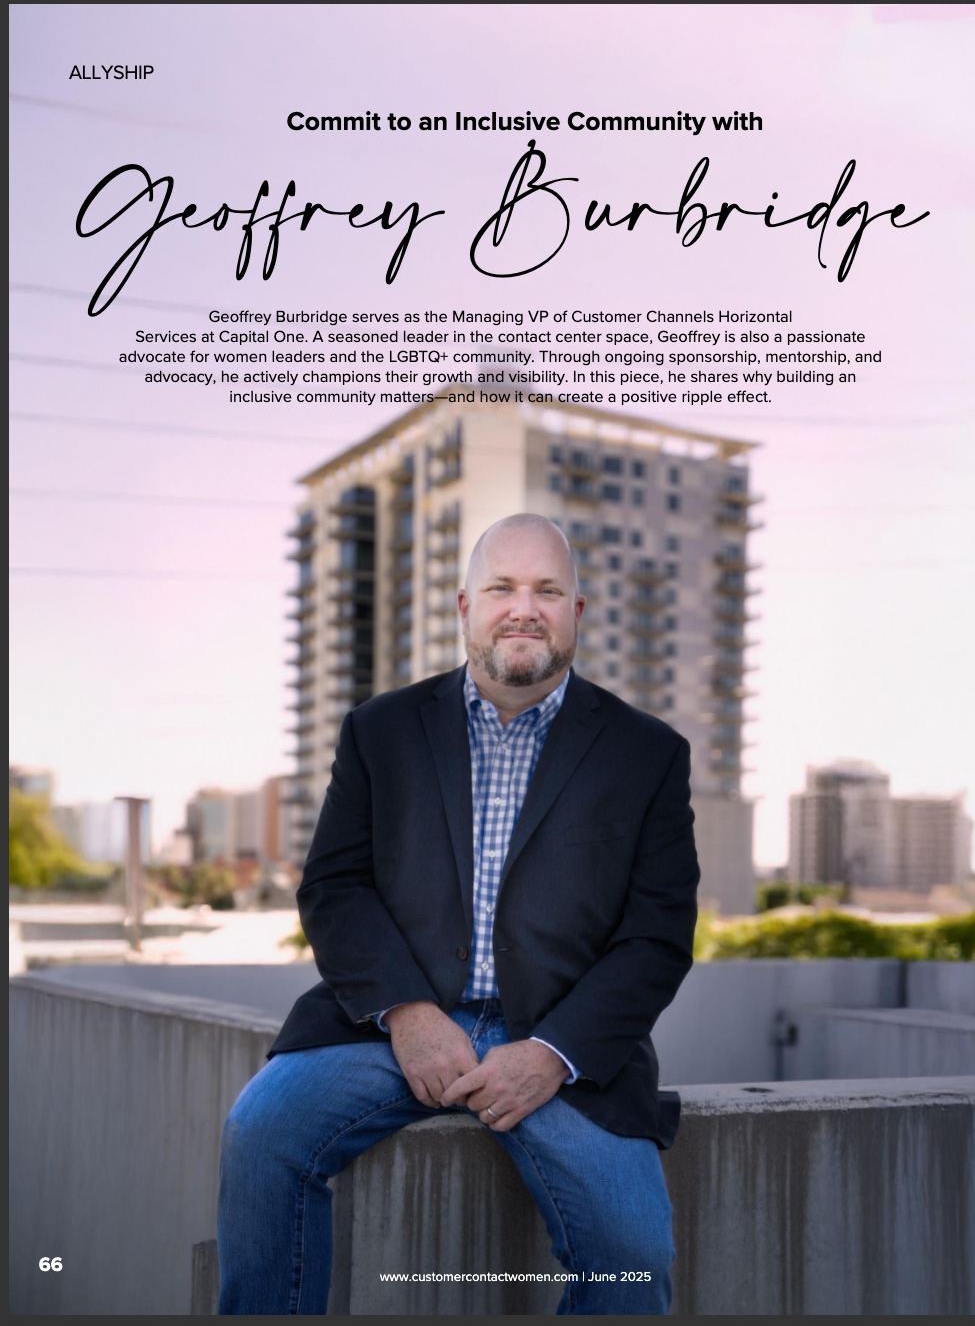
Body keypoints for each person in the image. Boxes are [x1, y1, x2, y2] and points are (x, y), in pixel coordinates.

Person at [216, 513, 698, 1314]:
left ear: (576, 611)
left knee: (632, 1253)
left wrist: (550, 1051)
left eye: (548, 589)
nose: (524, 607)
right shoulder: (380, 730)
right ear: (465, 604)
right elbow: (334, 884)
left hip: (563, 1045)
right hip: (389, 1028)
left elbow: (656, 936)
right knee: (260, 1132)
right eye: (503, 587)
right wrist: (407, 1012)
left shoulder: (648, 753)